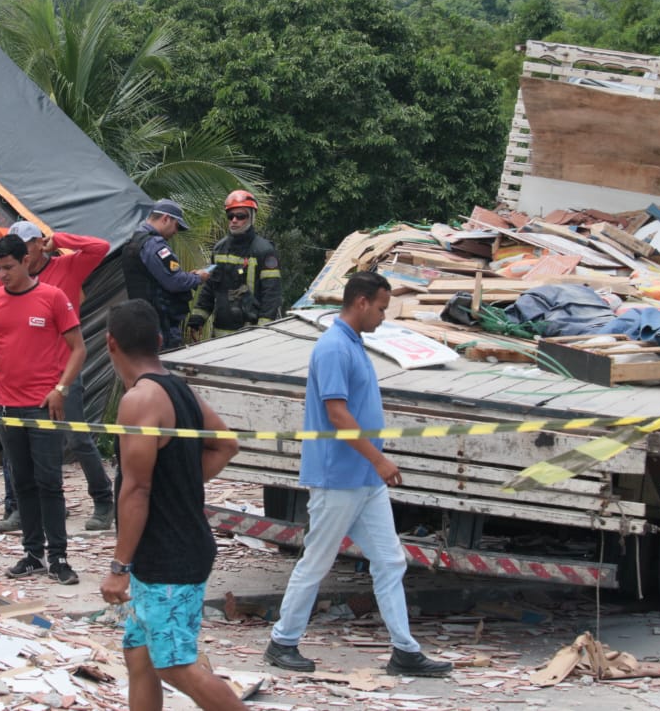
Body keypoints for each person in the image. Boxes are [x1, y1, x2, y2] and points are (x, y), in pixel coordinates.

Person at [263, 272, 453, 678]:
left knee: (389, 560)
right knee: (317, 560)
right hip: (339, 476)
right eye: (382, 308)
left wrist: (374, 464)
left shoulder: (353, 344)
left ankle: (405, 649)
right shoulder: (334, 347)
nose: (384, 316)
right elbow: (337, 414)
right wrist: (379, 460)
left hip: (364, 479)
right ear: (362, 302)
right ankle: (282, 641)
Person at [99, 299, 245, 711]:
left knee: (175, 665)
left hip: (169, 556)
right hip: (171, 549)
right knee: (139, 655)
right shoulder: (177, 387)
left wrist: (118, 568)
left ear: (111, 344)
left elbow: (137, 489)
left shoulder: (140, 400)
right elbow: (227, 444)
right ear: (159, 341)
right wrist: (179, 484)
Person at [0, 221, 115, 534]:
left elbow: (100, 246)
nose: (24, 251)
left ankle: (103, 500)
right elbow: (0, 336)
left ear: (39, 244)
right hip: (23, 379)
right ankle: (17, 507)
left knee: (77, 438)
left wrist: (58, 239)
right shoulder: (8, 286)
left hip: (62, 373)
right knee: (16, 443)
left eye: (28, 243)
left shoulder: (67, 267)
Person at [0, 234, 87, 585]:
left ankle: (59, 557)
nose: (2, 275)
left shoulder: (52, 298)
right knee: (22, 482)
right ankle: (32, 554)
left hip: (43, 405)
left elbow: (78, 349)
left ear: (26, 261)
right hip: (8, 407)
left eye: (8, 267)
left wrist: (61, 388)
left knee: (50, 483)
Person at [188, 190, 282, 341]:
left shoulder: (264, 250)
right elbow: (209, 288)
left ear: (251, 217)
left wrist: (263, 331)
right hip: (220, 333)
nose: (234, 220)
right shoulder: (219, 249)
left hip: (252, 336)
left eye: (240, 216)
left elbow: (271, 294)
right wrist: (197, 320)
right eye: (230, 216)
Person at [120, 199, 209, 350]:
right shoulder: (155, 245)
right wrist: (199, 277)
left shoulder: (133, 241)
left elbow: (157, 277)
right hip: (161, 323)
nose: (176, 232)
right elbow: (175, 282)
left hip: (142, 319)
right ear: (166, 219)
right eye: (176, 226)